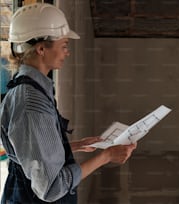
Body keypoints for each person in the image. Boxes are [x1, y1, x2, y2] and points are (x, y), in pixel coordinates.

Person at [0, 3, 136, 203]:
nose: (67, 53)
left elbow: (30, 153)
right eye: (64, 46)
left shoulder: (26, 89)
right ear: (41, 49)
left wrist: (75, 146)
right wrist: (106, 156)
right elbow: (51, 188)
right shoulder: (32, 103)